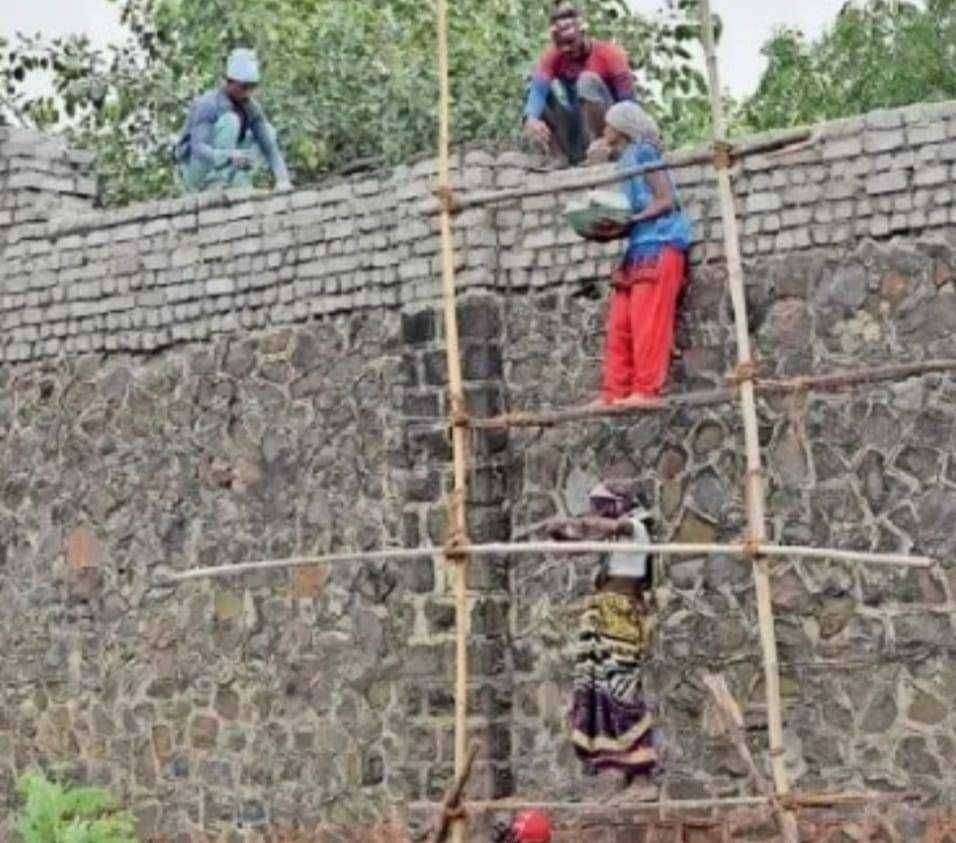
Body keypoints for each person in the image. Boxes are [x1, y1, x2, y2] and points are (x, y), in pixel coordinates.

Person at [549, 481, 661, 793]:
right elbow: (578, 546)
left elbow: (603, 526)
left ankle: (642, 775)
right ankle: (621, 769)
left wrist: (576, 522)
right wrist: (561, 535)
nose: (600, 512)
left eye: (605, 506)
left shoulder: (635, 528)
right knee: (601, 694)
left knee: (622, 692)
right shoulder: (613, 536)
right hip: (604, 615)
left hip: (621, 617)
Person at [591, 101, 693, 406]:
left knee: (648, 322)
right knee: (621, 325)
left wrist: (630, 221)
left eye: (609, 124)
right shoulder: (624, 161)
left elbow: (665, 200)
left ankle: (645, 389)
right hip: (637, 248)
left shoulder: (645, 153)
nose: (604, 129)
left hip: (660, 243)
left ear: (621, 128)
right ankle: (615, 390)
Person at [522, 2, 636, 166]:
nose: (567, 49)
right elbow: (537, 91)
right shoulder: (554, 56)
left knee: (586, 80)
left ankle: (601, 152)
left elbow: (629, 105)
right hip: (576, 130)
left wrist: (613, 138)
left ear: (583, 34)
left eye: (571, 42)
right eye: (562, 44)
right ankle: (559, 158)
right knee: (530, 94)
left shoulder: (610, 54)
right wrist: (531, 119)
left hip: (609, 130)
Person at [175, 48, 292, 193]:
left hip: (227, 165)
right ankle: (213, 183)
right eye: (244, 86)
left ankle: (237, 179)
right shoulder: (209, 103)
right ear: (230, 82)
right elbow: (198, 148)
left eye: (252, 86)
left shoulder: (251, 108)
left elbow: (269, 148)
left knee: (269, 132)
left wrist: (283, 180)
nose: (248, 91)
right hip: (196, 170)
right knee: (231, 121)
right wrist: (228, 155)